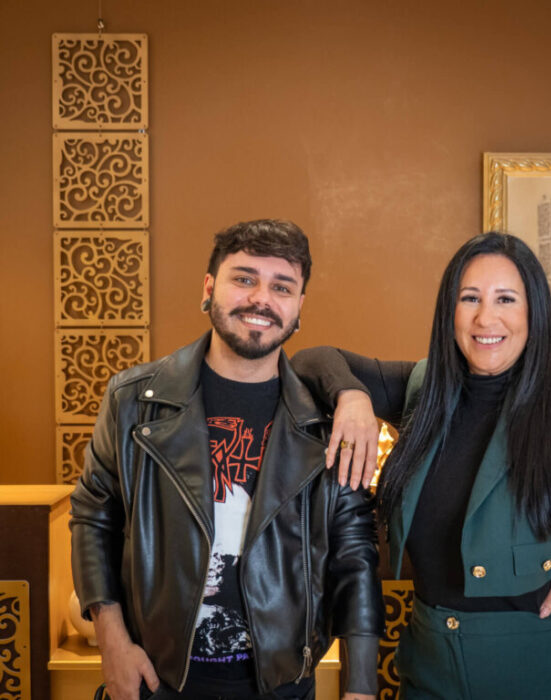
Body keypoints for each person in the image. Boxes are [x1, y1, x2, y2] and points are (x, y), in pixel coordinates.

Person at [292, 232, 551, 700]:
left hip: (541, 674)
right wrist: (351, 396)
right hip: (427, 671)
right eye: (470, 298)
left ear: (533, 312)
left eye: (506, 299)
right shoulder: (423, 389)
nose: (486, 318)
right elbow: (311, 360)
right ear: (449, 311)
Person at [70, 219, 384, 700]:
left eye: (281, 287)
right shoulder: (133, 401)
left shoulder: (326, 423)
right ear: (209, 288)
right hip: (155, 679)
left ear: (299, 307)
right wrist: (112, 641)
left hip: (281, 685)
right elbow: (94, 517)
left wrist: (360, 687)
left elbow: (355, 554)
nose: (261, 299)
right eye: (244, 278)